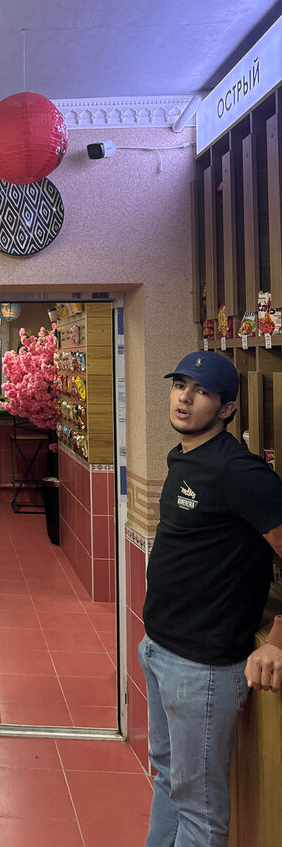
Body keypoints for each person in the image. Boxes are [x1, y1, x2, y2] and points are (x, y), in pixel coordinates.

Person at [139, 351, 282, 847]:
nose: (185, 396)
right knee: (167, 779)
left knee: (198, 811)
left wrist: (278, 637)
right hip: (159, 649)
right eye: (180, 384)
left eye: (201, 390)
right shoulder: (183, 455)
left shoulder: (240, 472)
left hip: (202, 665)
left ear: (225, 408)